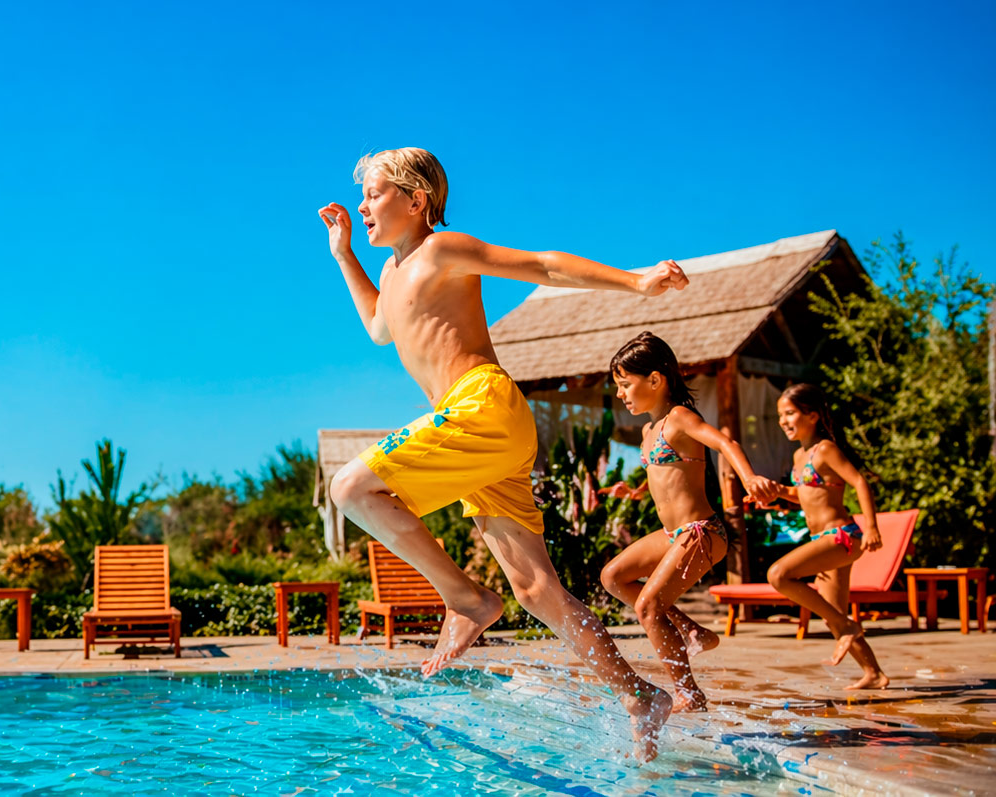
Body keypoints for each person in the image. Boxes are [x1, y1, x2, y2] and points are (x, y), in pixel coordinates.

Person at [318, 147, 686, 760]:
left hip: (480, 406)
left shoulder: (442, 249)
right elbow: (380, 326)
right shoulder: (393, 270)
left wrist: (636, 281)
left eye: (375, 194)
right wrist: (344, 255)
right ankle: (639, 696)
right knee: (537, 590)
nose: (362, 206)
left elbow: (542, 265)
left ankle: (466, 598)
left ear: (417, 200)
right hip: (478, 433)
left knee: (351, 487)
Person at [598, 331, 773, 712]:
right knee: (612, 576)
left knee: (647, 607)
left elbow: (725, 443)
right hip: (672, 534)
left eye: (625, 385)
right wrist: (635, 493)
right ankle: (691, 629)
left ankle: (688, 693)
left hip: (702, 532)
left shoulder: (679, 417)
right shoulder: (648, 430)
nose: (621, 394)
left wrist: (749, 479)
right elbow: (667, 477)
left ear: (655, 380)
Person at [751, 382, 889, 689]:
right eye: (780, 415)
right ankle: (874, 673)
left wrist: (872, 527)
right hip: (822, 540)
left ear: (812, 416)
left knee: (778, 575)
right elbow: (804, 494)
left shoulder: (825, 449)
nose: (783, 421)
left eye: (790, 413)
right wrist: (776, 492)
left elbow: (859, 482)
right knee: (831, 613)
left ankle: (846, 626)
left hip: (841, 537)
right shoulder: (800, 456)